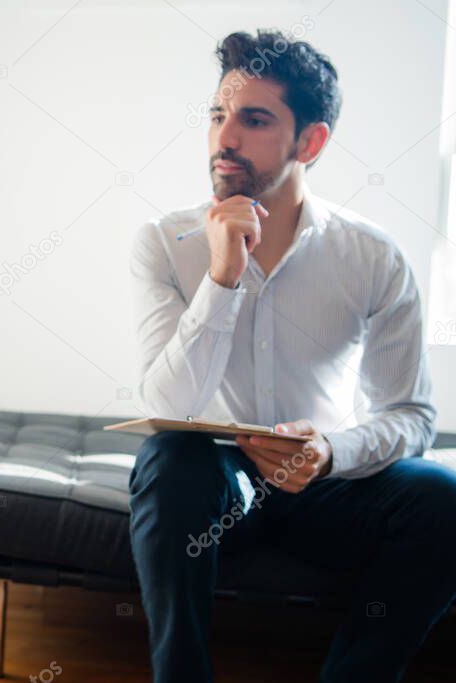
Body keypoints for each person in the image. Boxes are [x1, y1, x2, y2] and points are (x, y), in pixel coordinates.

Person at [128, 29, 456, 683]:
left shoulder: (372, 257)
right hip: (214, 493)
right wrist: (222, 278)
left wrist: (331, 450)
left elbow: (412, 416)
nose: (225, 138)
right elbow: (167, 407)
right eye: (219, 115)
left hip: (327, 486)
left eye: (254, 119)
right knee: (170, 459)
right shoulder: (166, 243)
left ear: (311, 141)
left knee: (446, 497)